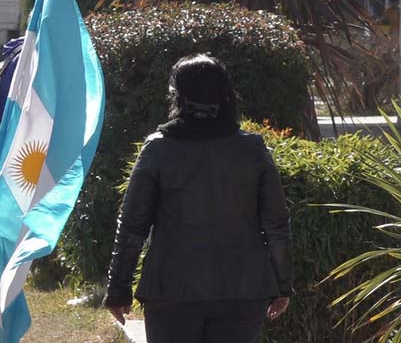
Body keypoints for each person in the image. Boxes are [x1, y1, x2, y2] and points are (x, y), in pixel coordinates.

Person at [103, 55, 292, 343]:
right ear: (228, 95)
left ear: (177, 96)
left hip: (170, 291)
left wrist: (118, 289)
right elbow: (276, 225)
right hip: (243, 289)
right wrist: (283, 285)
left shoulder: (158, 149)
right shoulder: (252, 149)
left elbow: (132, 226)